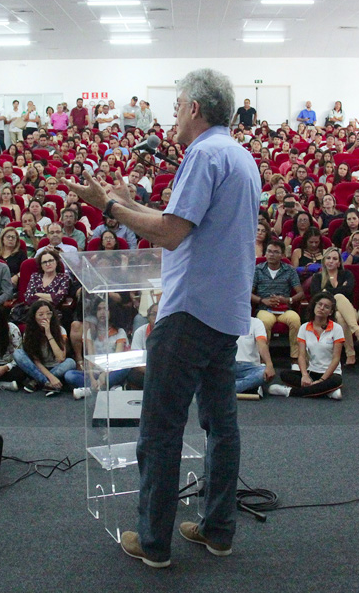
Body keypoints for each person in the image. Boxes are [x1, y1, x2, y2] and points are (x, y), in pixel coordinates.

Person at [66, 69, 259, 567]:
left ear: (194, 108)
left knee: (159, 430)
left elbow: (171, 234)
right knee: (221, 426)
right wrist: (129, 203)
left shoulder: (202, 155)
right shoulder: (238, 155)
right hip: (224, 311)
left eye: (177, 106)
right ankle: (218, 530)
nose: (172, 115)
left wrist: (109, 207)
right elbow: (186, 223)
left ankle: (153, 541)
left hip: (190, 311)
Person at [269, 292, 344, 399]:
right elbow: (301, 356)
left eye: (326, 307)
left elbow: (336, 359)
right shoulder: (304, 327)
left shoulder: (337, 328)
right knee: (284, 374)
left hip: (331, 374)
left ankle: (289, 391)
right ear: (314, 306)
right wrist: (304, 375)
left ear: (330, 312)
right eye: (320, 304)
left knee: (336, 381)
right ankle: (327, 392)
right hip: (312, 371)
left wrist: (322, 380)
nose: (322, 308)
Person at [311, 247, 359, 365]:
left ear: (339, 263)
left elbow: (349, 290)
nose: (331, 261)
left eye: (335, 259)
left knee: (340, 312)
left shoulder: (347, 274)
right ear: (324, 261)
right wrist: (340, 289)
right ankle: (355, 333)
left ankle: (350, 353)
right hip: (327, 312)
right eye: (328, 258)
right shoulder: (317, 277)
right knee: (339, 300)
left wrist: (326, 291)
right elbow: (317, 295)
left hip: (349, 312)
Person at [253, 240, 304, 361]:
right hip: (264, 308)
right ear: (265, 253)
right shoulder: (257, 269)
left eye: (276, 252)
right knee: (264, 322)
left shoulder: (289, 270)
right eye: (269, 251)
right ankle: (263, 359)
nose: (271, 254)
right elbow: (248, 293)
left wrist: (287, 300)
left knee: (295, 319)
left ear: (282, 255)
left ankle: (295, 358)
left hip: (284, 309)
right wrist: (262, 300)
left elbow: (300, 293)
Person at [12, 300, 77, 395]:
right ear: (34, 317)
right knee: (18, 353)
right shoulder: (29, 333)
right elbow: (36, 361)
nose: (45, 317)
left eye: (48, 313)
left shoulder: (60, 330)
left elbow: (61, 358)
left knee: (70, 362)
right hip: (38, 367)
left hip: (56, 366)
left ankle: (36, 382)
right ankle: (46, 383)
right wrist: (50, 377)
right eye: (41, 315)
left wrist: (48, 333)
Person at [233, 316, 276, 395]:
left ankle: (226, 389)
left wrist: (269, 364)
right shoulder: (225, 322)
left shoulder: (256, 322)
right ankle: (247, 386)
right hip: (229, 365)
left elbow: (262, 345)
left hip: (251, 367)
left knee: (263, 373)